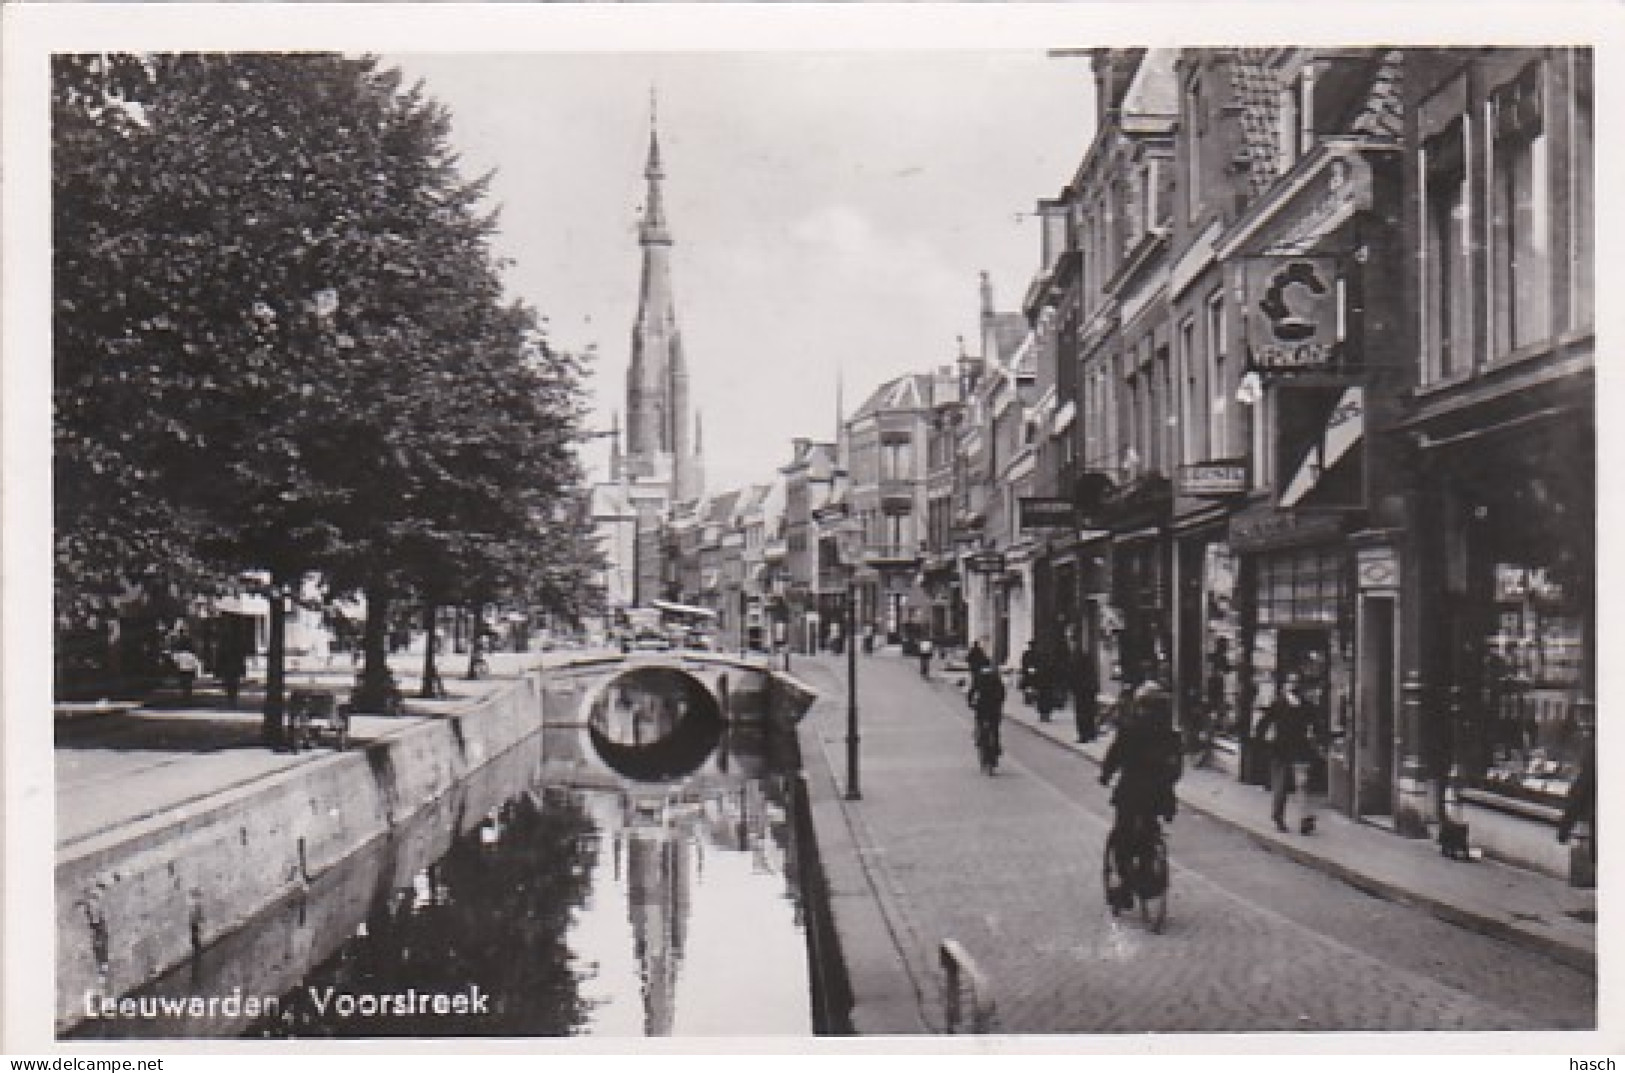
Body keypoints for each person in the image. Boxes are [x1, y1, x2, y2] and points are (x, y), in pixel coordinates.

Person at [1098, 682, 1182, 910]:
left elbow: (1114, 755)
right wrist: (1167, 784)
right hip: (1159, 795)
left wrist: (1105, 775)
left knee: (1123, 837)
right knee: (1148, 832)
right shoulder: (1171, 735)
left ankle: (1126, 885)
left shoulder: (1130, 729)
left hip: (1131, 792)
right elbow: (1176, 769)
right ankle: (1148, 873)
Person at [1254, 672, 1318, 834]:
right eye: (1291, 682)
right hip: (1281, 750)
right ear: (1286, 685)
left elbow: (1314, 725)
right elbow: (1264, 722)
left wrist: (1316, 739)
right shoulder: (1278, 704)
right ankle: (1278, 816)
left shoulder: (1306, 705)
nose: (1294, 686)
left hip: (1300, 750)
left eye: (1297, 682)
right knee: (1281, 786)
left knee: (1302, 784)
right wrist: (1261, 741)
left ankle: (1305, 819)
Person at [966, 664, 1006, 773]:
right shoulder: (996, 680)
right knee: (994, 730)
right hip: (993, 709)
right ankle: (995, 749)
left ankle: (985, 744)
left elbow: (971, 692)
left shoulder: (979, 679)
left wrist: (970, 703)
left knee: (984, 729)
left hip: (983, 708)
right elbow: (1002, 695)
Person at [1071, 638, 1099, 743]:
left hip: (1082, 690)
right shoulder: (1087, 658)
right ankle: (1091, 733)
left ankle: (1084, 735)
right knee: (1089, 712)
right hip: (1089, 690)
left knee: (1082, 712)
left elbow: (1074, 676)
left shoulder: (1076, 660)